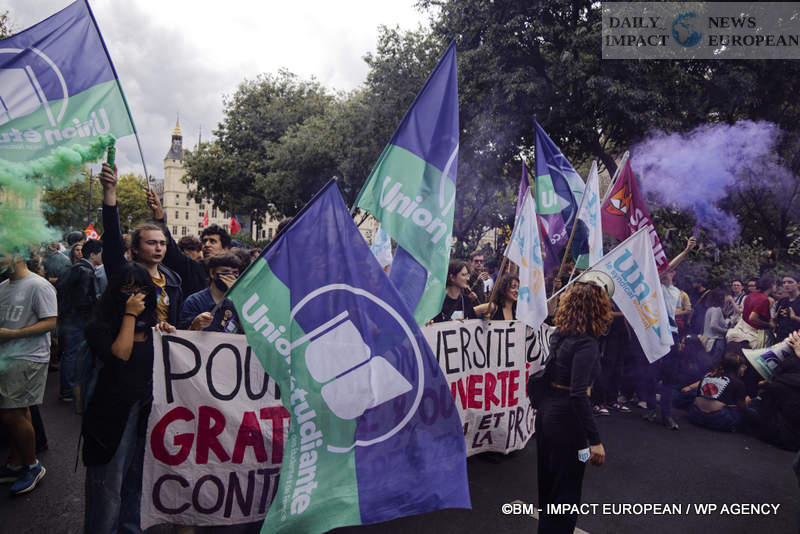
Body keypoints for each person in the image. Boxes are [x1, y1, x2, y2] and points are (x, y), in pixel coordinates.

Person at [82, 262, 176, 533]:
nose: (134, 295)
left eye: (141, 289)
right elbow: (120, 354)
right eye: (127, 289)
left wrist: (171, 332)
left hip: (144, 413)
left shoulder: (152, 325)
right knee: (108, 486)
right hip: (111, 418)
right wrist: (130, 314)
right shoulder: (99, 326)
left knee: (136, 481)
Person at [534, 277, 612, 534]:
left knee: (549, 483)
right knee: (568, 486)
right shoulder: (587, 344)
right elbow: (579, 395)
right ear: (597, 308)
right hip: (568, 422)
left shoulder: (560, 334)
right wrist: (595, 440)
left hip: (548, 414)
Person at [0, 252, 58, 495]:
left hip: (28, 357)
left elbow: (51, 322)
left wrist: (13, 334)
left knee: (10, 413)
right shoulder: (4, 286)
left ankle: (32, 466)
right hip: (7, 357)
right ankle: (17, 463)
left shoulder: (38, 285)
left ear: (17, 254)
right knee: (19, 411)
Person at [100, 163, 183, 327]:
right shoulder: (124, 273)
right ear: (135, 248)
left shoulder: (173, 279)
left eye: (162, 243)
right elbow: (112, 237)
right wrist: (110, 191)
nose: (158, 248)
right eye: (151, 243)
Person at [146, 188, 230, 298]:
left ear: (225, 248)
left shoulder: (236, 272)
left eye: (212, 241)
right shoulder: (193, 268)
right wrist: (159, 217)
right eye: (205, 241)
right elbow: (172, 252)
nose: (206, 245)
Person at [56, 239, 103, 403]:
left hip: (67, 317)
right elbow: (84, 299)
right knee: (73, 354)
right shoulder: (86, 271)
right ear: (93, 255)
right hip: (79, 319)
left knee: (69, 353)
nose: (102, 257)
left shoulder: (72, 268)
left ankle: (67, 389)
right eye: (101, 253)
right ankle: (69, 390)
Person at [179, 251, 242, 333]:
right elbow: (182, 335)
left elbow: (248, 331)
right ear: (212, 273)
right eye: (225, 272)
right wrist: (195, 325)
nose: (231, 276)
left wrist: (237, 297)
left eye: (235, 273)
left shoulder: (236, 302)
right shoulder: (194, 301)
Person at [683, 352, 747, 433]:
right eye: (743, 367)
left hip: (695, 415)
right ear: (736, 367)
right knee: (745, 413)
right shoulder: (738, 383)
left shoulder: (709, 375)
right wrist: (747, 402)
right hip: (717, 419)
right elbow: (742, 407)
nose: (745, 369)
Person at [727, 274, 774, 350]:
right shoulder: (764, 299)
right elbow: (752, 318)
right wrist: (769, 325)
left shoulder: (750, 296)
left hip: (742, 330)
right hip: (755, 334)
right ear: (771, 285)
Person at [701, 288, 729, 366]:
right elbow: (713, 325)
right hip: (716, 341)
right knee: (715, 364)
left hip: (708, 340)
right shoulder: (716, 309)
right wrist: (726, 331)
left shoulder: (710, 309)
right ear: (720, 298)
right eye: (725, 296)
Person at [774, 273, 800, 343]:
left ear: (798, 284)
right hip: (781, 338)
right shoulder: (782, 301)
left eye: (790, 282)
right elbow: (776, 321)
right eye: (784, 283)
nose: (786, 285)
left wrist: (794, 317)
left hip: (796, 340)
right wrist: (776, 318)